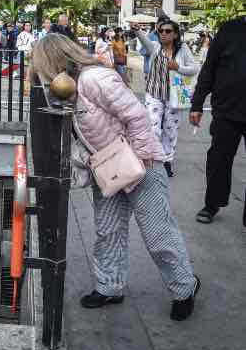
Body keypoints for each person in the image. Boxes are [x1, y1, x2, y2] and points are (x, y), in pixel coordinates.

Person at [33, 33, 201, 321]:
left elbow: (135, 116)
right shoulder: (66, 88)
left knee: (158, 234)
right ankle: (109, 286)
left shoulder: (95, 79)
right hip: (107, 169)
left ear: (54, 59)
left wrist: (143, 155)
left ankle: (185, 286)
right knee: (107, 230)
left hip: (139, 164)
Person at [190, 17, 246, 226]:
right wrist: (197, 104)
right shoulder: (230, 29)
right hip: (226, 111)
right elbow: (209, 68)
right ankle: (212, 204)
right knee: (218, 160)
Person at [134, 20, 197, 178]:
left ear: (175, 34)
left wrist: (178, 67)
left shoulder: (183, 49)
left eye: (168, 31)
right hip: (154, 94)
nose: (163, 33)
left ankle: (167, 160)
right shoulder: (155, 47)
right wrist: (137, 31)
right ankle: (154, 159)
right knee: (153, 127)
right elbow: (145, 41)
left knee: (170, 130)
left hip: (173, 96)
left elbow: (194, 68)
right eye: (160, 31)